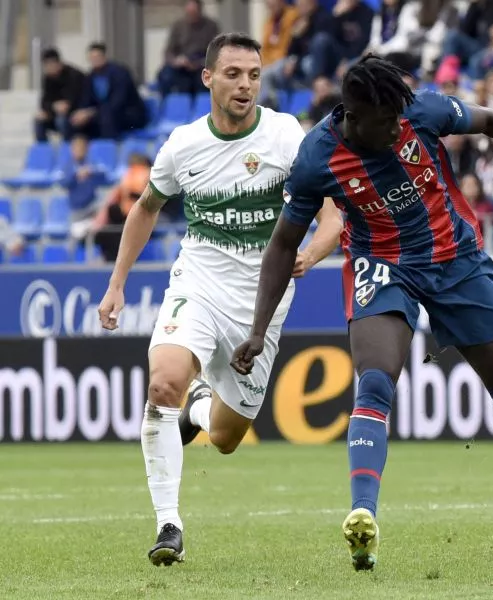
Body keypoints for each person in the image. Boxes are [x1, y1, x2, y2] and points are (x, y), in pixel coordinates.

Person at [230, 55, 493, 572]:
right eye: (384, 122)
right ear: (353, 114)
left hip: (455, 259)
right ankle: (362, 516)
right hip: (382, 264)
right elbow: (282, 245)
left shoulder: (420, 111)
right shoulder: (315, 158)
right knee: (374, 382)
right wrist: (258, 330)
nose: (395, 128)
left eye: (397, 120)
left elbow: (491, 120)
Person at [96, 32, 343, 566]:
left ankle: (200, 410)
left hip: (262, 302)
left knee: (228, 437)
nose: (245, 85)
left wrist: (311, 255)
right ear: (208, 78)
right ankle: (168, 525)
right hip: (198, 283)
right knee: (163, 380)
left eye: (253, 75)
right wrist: (116, 283)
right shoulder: (183, 145)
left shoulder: (284, 136)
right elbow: (144, 208)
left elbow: (332, 214)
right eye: (233, 74)